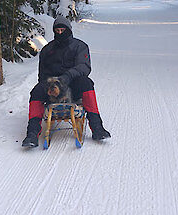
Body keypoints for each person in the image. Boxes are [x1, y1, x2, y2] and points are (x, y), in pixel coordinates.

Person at [22, 16, 111, 147]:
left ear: (68, 30)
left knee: (86, 83)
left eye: (62, 30)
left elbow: (84, 67)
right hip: (52, 83)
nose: (60, 33)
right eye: (57, 30)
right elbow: (42, 72)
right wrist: (46, 85)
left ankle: (97, 128)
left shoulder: (79, 46)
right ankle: (32, 134)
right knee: (36, 91)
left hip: (72, 82)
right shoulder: (47, 49)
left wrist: (67, 76)